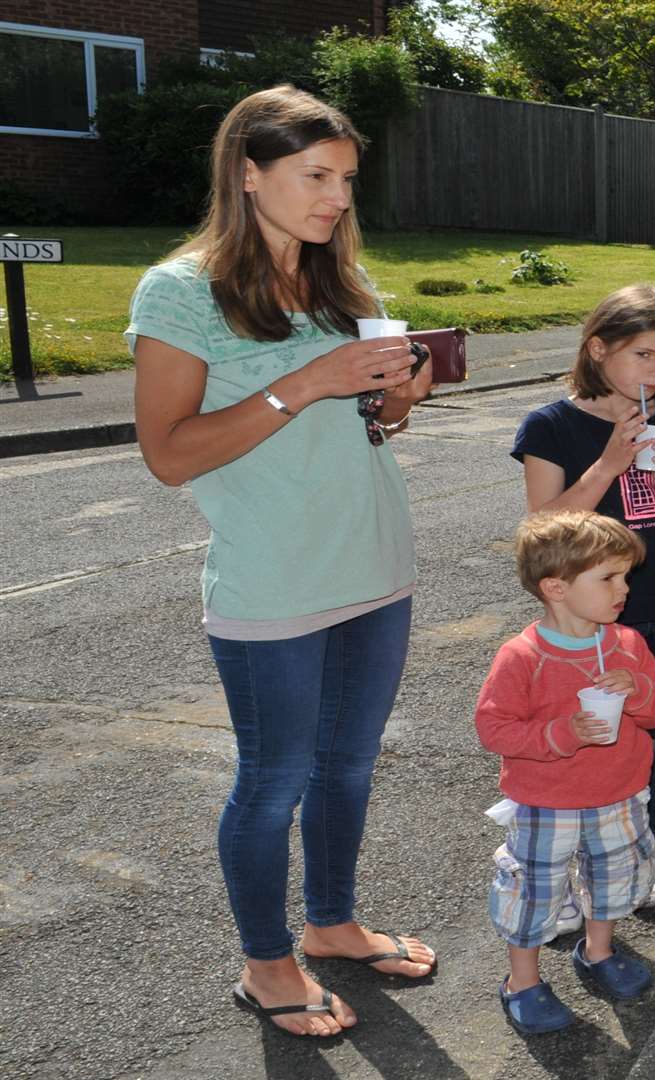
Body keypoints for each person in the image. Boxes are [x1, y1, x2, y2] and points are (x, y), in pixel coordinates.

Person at [128, 85, 437, 1037]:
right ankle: (267, 964)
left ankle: (333, 923)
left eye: (346, 179)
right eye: (316, 176)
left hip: (376, 566)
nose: (337, 198)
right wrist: (306, 383)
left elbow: (368, 424)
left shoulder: (347, 288)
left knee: (348, 767)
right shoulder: (180, 292)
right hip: (274, 584)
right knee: (274, 780)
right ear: (248, 173)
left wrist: (395, 398)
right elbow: (169, 454)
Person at [513, 284, 655, 910]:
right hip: (590, 618)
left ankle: (640, 849)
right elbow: (539, 529)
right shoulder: (550, 426)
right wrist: (607, 464)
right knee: (590, 732)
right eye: (643, 356)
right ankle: (577, 856)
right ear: (598, 349)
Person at [476, 510, 655, 1035]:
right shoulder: (523, 656)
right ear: (555, 588)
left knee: (614, 878)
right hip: (546, 801)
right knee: (535, 890)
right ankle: (522, 981)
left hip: (619, 793)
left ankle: (598, 950)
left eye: (625, 576)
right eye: (608, 578)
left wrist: (637, 690)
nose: (624, 589)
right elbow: (495, 729)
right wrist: (563, 734)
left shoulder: (627, 645)